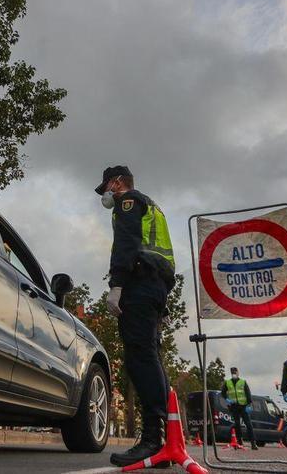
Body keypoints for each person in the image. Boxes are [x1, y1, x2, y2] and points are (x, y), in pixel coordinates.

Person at [95, 166, 176, 467]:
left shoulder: (127, 203)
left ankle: (153, 440)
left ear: (116, 183)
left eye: (106, 187)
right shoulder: (152, 206)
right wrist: (163, 304)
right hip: (155, 285)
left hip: (140, 284)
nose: (105, 193)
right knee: (151, 356)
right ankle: (164, 440)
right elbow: (161, 257)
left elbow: (127, 244)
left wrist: (116, 286)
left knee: (139, 357)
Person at [220, 367, 258, 450]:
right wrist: (227, 399)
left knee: (248, 424)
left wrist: (249, 404)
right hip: (234, 406)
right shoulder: (228, 382)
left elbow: (248, 394)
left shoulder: (243, 382)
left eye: (235, 372)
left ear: (238, 372)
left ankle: (253, 443)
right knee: (237, 425)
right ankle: (240, 442)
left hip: (243, 406)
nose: (234, 373)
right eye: (232, 372)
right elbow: (222, 393)